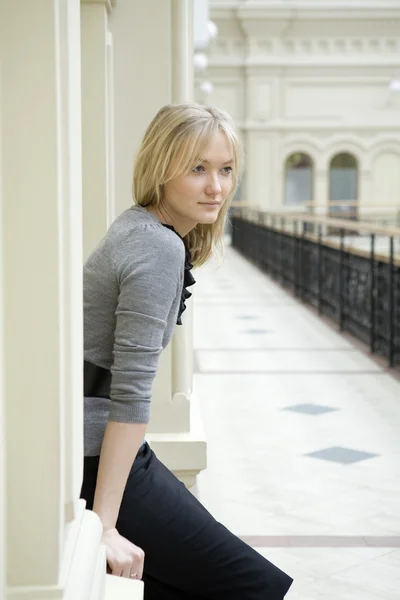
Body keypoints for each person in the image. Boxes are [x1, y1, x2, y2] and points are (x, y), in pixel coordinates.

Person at [80, 103, 293, 599]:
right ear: (161, 167)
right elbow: (131, 392)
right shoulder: (158, 247)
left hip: (95, 443)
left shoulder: (138, 226)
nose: (215, 186)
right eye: (198, 168)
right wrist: (103, 528)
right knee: (252, 586)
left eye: (225, 170)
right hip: (98, 455)